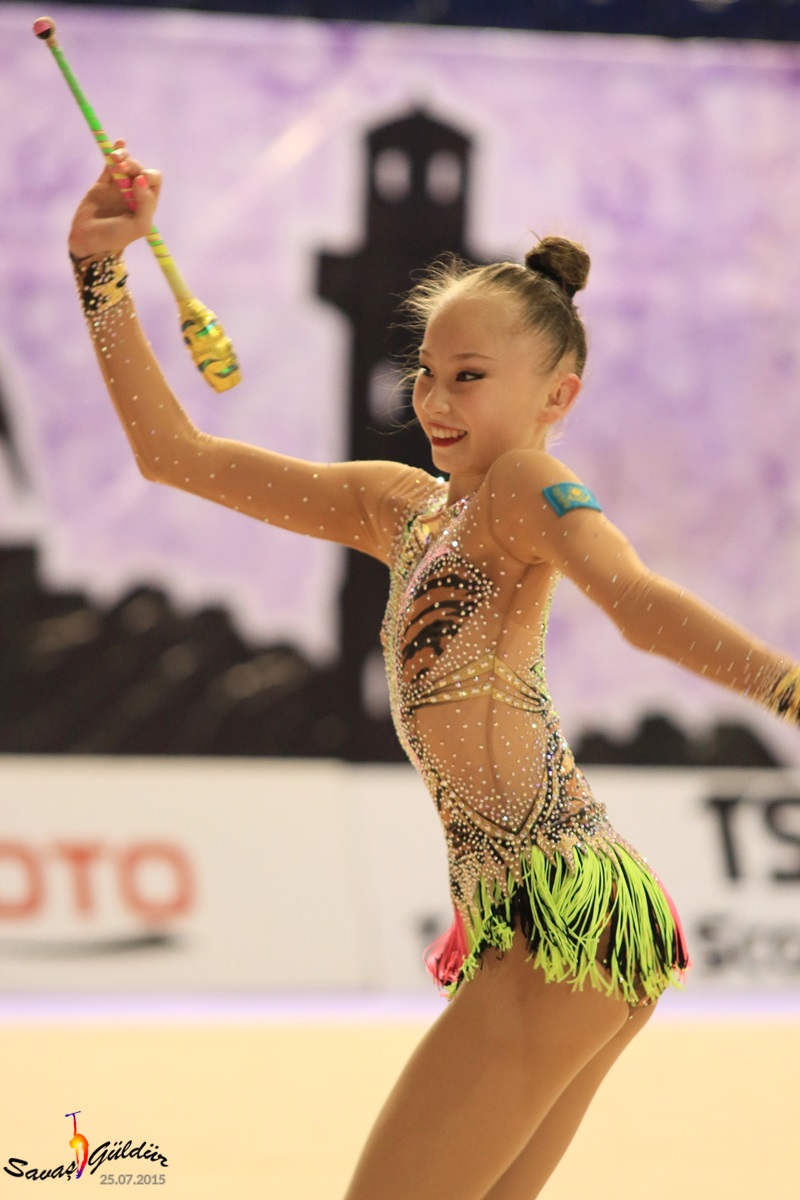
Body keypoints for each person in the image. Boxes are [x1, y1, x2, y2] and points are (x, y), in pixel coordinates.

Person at [68, 145, 799, 1200]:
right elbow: (174, 454)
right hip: (544, 923)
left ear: (557, 393)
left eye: (469, 376)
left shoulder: (524, 485)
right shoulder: (402, 508)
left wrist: (784, 687)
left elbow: (636, 604)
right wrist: (99, 270)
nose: (434, 398)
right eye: (426, 370)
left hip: (559, 918)